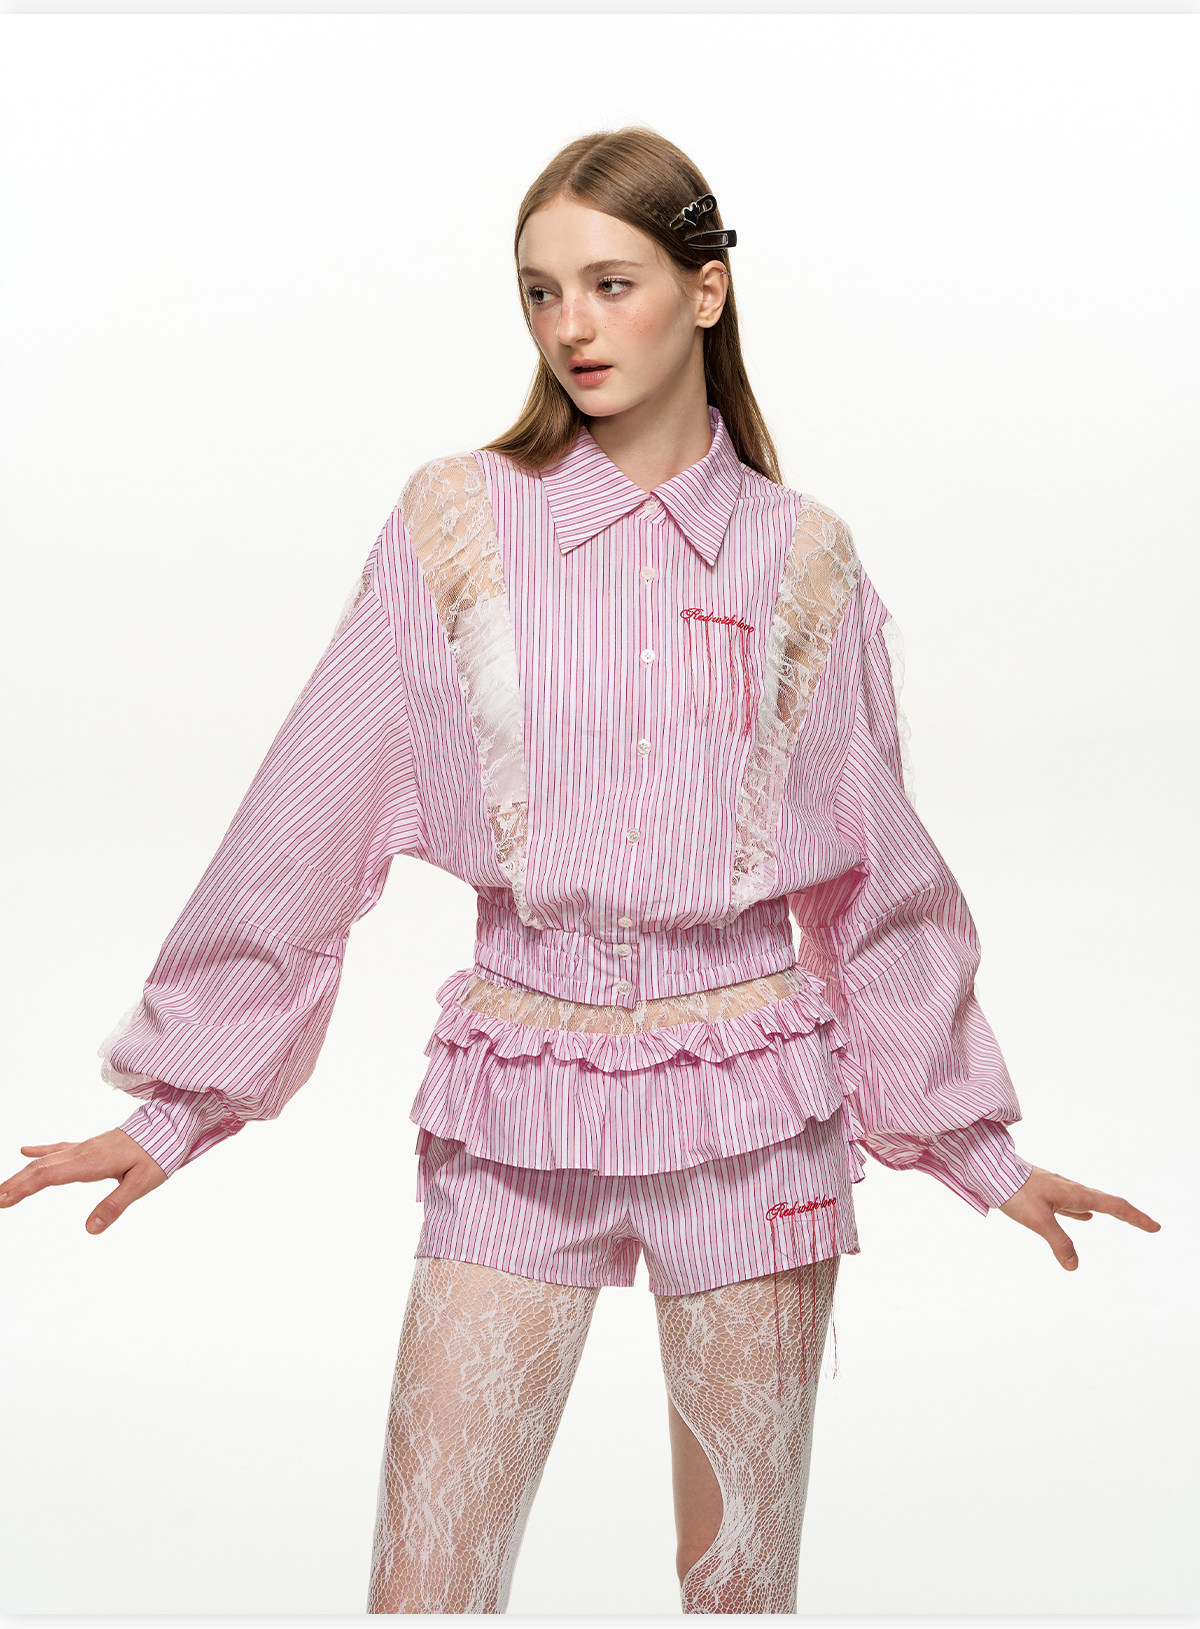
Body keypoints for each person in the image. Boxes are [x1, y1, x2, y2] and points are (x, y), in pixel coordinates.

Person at [0, 127, 1161, 1615]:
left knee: (735, 1590)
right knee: (426, 1587)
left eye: (613, 283)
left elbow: (878, 882)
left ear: (706, 290)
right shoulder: (457, 522)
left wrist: (977, 1150)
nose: (572, 326)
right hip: (518, 1102)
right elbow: (305, 814)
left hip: (752, 1112)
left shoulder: (803, 557)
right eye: (541, 291)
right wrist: (176, 1107)